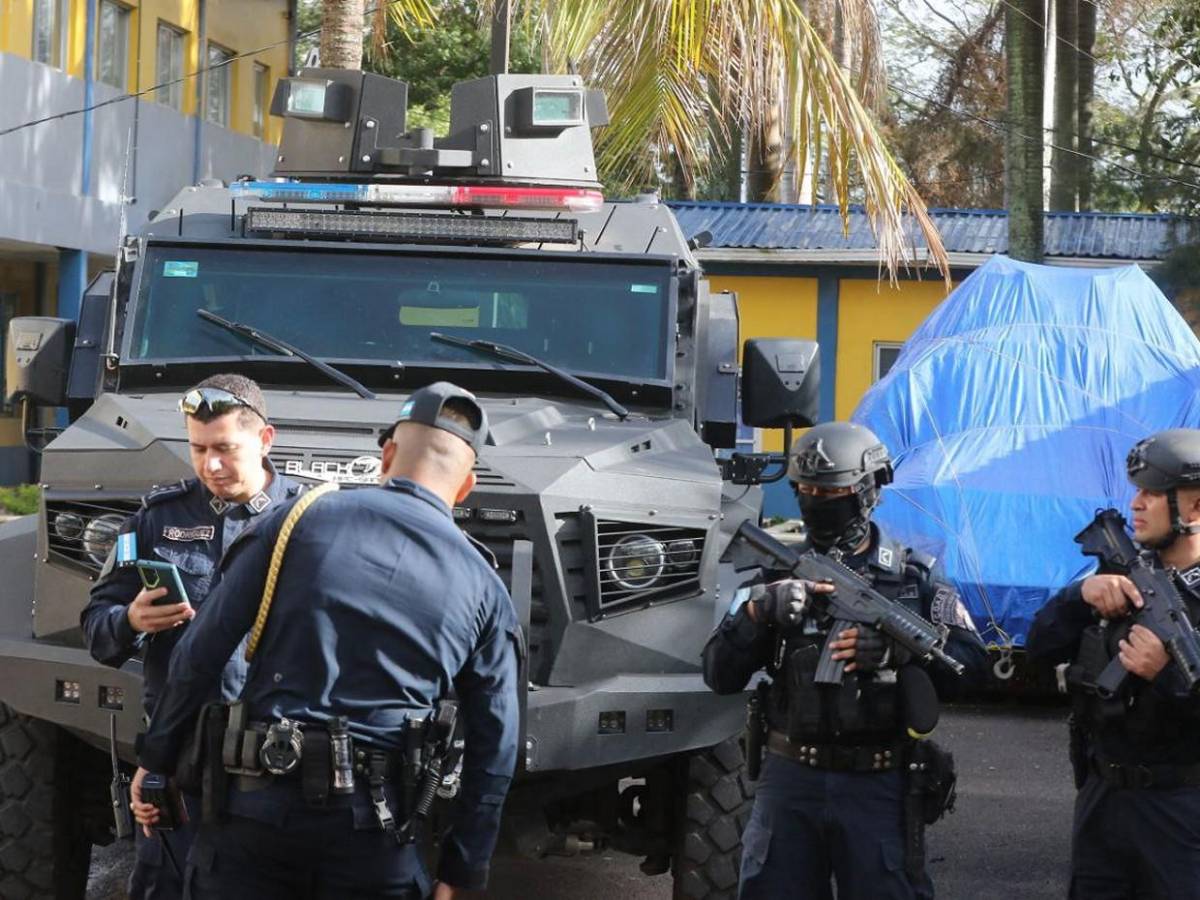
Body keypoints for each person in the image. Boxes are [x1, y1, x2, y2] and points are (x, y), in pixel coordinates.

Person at [134, 381, 522, 900]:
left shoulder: (296, 521)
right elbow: (496, 747)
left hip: (255, 821)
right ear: (467, 485)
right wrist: (461, 871)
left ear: (386, 456)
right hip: (375, 838)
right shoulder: (486, 589)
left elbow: (199, 654)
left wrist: (156, 762)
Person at [703, 421, 989, 900]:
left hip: (878, 784)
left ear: (868, 491)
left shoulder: (914, 579)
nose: (818, 501)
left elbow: (971, 666)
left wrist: (900, 655)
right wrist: (757, 611)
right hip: (790, 781)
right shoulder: (774, 574)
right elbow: (717, 673)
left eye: (831, 490)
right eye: (807, 490)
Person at [81, 373, 301, 899]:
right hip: (179, 760)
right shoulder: (158, 518)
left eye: (225, 449)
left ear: (265, 440)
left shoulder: (310, 519)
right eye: (198, 449)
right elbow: (97, 628)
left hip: (278, 764)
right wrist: (130, 621)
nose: (211, 466)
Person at [1027, 429, 1200, 899]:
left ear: (1195, 509)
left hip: (1181, 810)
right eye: (1137, 490)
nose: (1137, 503)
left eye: (1152, 492)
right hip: (1103, 802)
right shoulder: (1119, 575)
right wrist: (1078, 597)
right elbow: (1038, 649)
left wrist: (1166, 675)